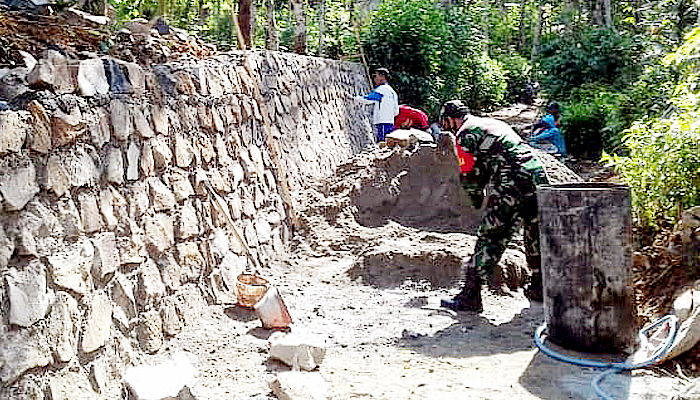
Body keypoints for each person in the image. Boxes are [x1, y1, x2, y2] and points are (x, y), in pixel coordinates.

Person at [438, 100, 548, 312]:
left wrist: (477, 200)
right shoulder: (491, 123)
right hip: (538, 177)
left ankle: (470, 296)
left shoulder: (465, 134)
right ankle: (540, 287)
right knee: (535, 231)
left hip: (512, 182)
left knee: (492, 235)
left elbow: (471, 175)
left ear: (451, 119)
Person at [355, 68, 399, 142]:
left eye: (376, 76)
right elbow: (396, 111)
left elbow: (369, 99)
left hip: (383, 122)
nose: (374, 79)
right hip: (390, 122)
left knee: (382, 143)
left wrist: (355, 99)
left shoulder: (382, 89)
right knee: (389, 143)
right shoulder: (392, 91)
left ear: (382, 77)